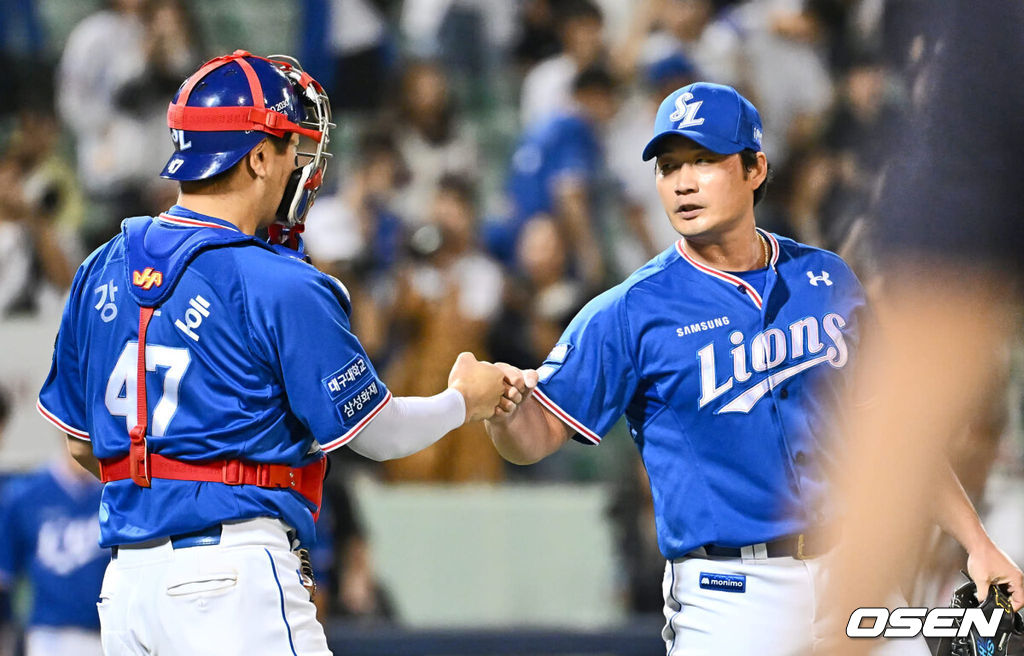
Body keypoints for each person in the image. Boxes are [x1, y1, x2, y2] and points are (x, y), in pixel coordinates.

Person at [485, 81, 1020, 655]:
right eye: (668, 167)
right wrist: (501, 411)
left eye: (705, 160)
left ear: (755, 168)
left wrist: (977, 543)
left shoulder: (826, 279)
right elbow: (534, 437)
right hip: (732, 596)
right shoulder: (629, 311)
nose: (683, 182)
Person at [35, 50, 511, 656]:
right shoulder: (280, 280)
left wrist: (173, 486)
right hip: (233, 577)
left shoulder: (99, 266)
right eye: (292, 148)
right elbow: (379, 435)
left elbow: (83, 443)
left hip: (126, 588)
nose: (302, 167)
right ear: (258, 156)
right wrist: (463, 402)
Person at [0, 448, 107, 656]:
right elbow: (5, 575)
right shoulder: (26, 493)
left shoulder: (115, 492)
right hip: (48, 633)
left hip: (107, 632)